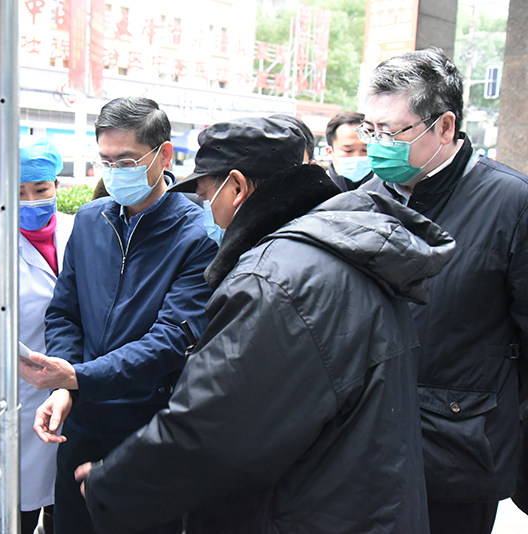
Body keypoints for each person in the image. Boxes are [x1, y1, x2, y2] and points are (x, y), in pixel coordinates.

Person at [74, 115, 456, 534]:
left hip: (306, 512)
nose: (206, 210)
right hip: (364, 504)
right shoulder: (343, 248)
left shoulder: (273, 280)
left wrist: (112, 486)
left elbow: (213, 427)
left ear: (236, 188)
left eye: (206, 195)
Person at [22, 96, 218, 534]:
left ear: (163, 155)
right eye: (106, 161)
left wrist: (77, 377)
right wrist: (67, 385)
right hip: (81, 421)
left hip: (148, 428)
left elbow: (170, 340)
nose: (114, 172)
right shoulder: (91, 220)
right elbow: (65, 313)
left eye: (126, 161)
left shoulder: (197, 233)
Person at [358, 47, 528, 534]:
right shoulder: (365, 198)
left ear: (445, 127)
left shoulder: (512, 204)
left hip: (460, 450)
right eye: (370, 130)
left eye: (391, 132)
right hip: (366, 449)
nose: (377, 145)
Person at [0, 137, 72, 534]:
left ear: (57, 186)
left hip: (72, 390)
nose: (31, 201)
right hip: (16, 397)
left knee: (67, 508)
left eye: (40, 189)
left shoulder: (78, 231)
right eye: (18, 192)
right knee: (15, 514)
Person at [324, 110, 373, 191]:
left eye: (365, 150)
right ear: (329, 151)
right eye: (348, 150)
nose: (357, 157)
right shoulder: (318, 190)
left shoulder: (388, 190)